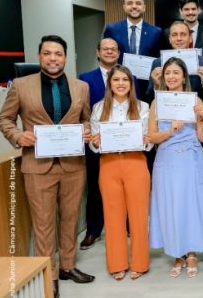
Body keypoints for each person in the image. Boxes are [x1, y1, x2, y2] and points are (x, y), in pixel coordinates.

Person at [0, 35, 95, 298]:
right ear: (40, 56)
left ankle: (68, 266)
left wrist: (86, 131)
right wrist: (18, 136)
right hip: (37, 165)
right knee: (43, 223)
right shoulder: (20, 85)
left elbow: (86, 119)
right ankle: (48, 273)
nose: (53, 58)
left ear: (65, 57)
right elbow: (5, 118)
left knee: (71, 219)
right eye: (48, 53)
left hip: (72, 165)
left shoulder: (80, 87)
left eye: (58, 54)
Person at [148, 57, 203, 278]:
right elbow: (152, 137)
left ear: (184, 77)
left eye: (175, 72)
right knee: (171, 207)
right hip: (166, 161)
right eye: (167, 72)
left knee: (191, 206)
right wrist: (170, 131)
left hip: (191, 159)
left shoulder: (194, 100)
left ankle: (191, 253)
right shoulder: (156, 103)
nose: (171, 77)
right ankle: (177, 253)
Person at [89, 65, 152, 281]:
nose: (121, 83)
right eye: (116, 80)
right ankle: (117, 264)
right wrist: (95, 143)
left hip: (135, 162)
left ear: (131, 83)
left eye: (125, 79)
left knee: (138, 216)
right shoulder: (98, 108)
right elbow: (94, 145)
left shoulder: (143, 107)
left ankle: (140, 263)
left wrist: (147, 141)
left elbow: (148, 141)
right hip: (108, 164)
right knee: (113, 216)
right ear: (110, 83)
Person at [77, 38, 141, 250]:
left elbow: (136, 109)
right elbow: (83, 110)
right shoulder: (85, 79)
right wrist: (90, 133)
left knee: (128, 191)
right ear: (98, 52)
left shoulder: (130, 78)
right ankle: (94, 230)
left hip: (128, 148)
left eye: (114, 49)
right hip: (99, 142)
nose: (110, 52)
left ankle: (130, 227)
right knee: (96, 188)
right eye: (106, 49)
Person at [103, 0, 162, 96]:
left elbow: (158, 58)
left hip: (146, 85)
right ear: (124, 7)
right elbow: (106, 55)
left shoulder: (155, 31)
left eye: (138, 3)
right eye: (130, 3)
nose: (134, 6)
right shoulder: (112, 29)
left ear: (144, 8)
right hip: (119, 84)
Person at [147, 21, 203, 101]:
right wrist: (156, 86)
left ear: (190, 38)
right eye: (174, 35)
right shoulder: (157, 63)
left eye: (183, 34)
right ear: (169, 39)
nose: (179, 39)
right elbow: (148, 97)